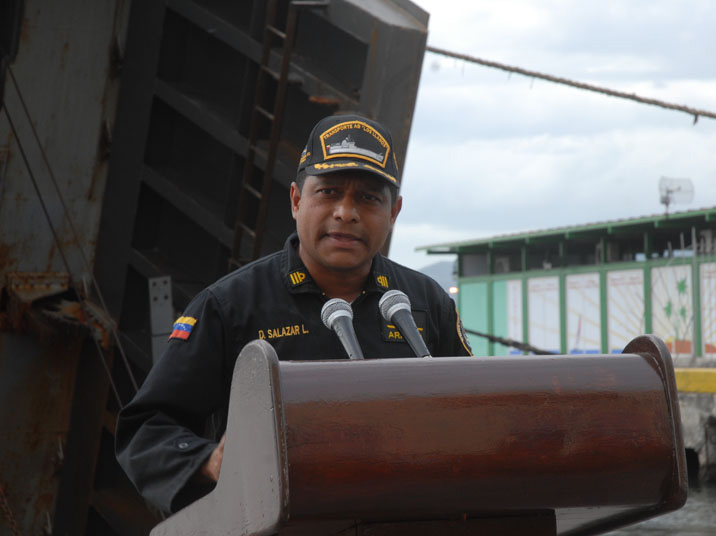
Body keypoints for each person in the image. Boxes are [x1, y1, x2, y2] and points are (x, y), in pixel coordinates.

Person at [115, 113, 473, 514]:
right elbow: (147, 430)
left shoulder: (426, 303)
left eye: (369, 198)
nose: (346, 212)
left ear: (394, 213)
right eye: (329, 192)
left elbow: (476, 418)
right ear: (297, 200)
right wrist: (212, 461)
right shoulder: (230, 306)